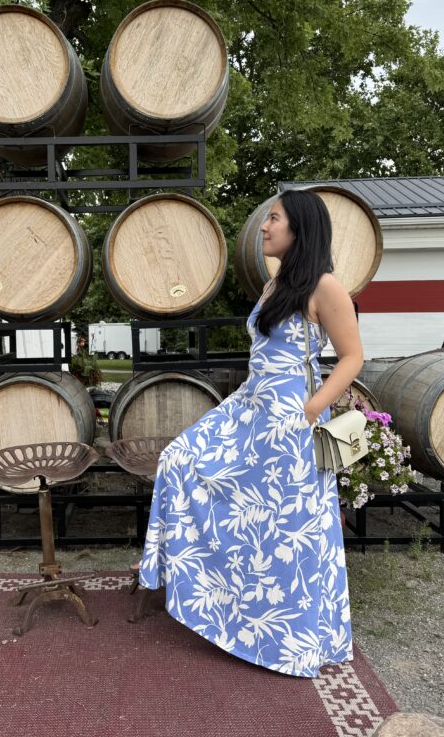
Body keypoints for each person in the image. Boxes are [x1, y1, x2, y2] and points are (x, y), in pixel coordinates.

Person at [136, 188, 363, 677]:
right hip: (251, 407)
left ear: (299, 228)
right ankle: (234, 613)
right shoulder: (273, 286)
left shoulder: (326, 287)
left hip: (293, 418)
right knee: (180, 461)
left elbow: (351, 358)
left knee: (288, 528)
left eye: (274, 218)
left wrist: (309, 411)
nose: (263, 226)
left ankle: (292, 641)